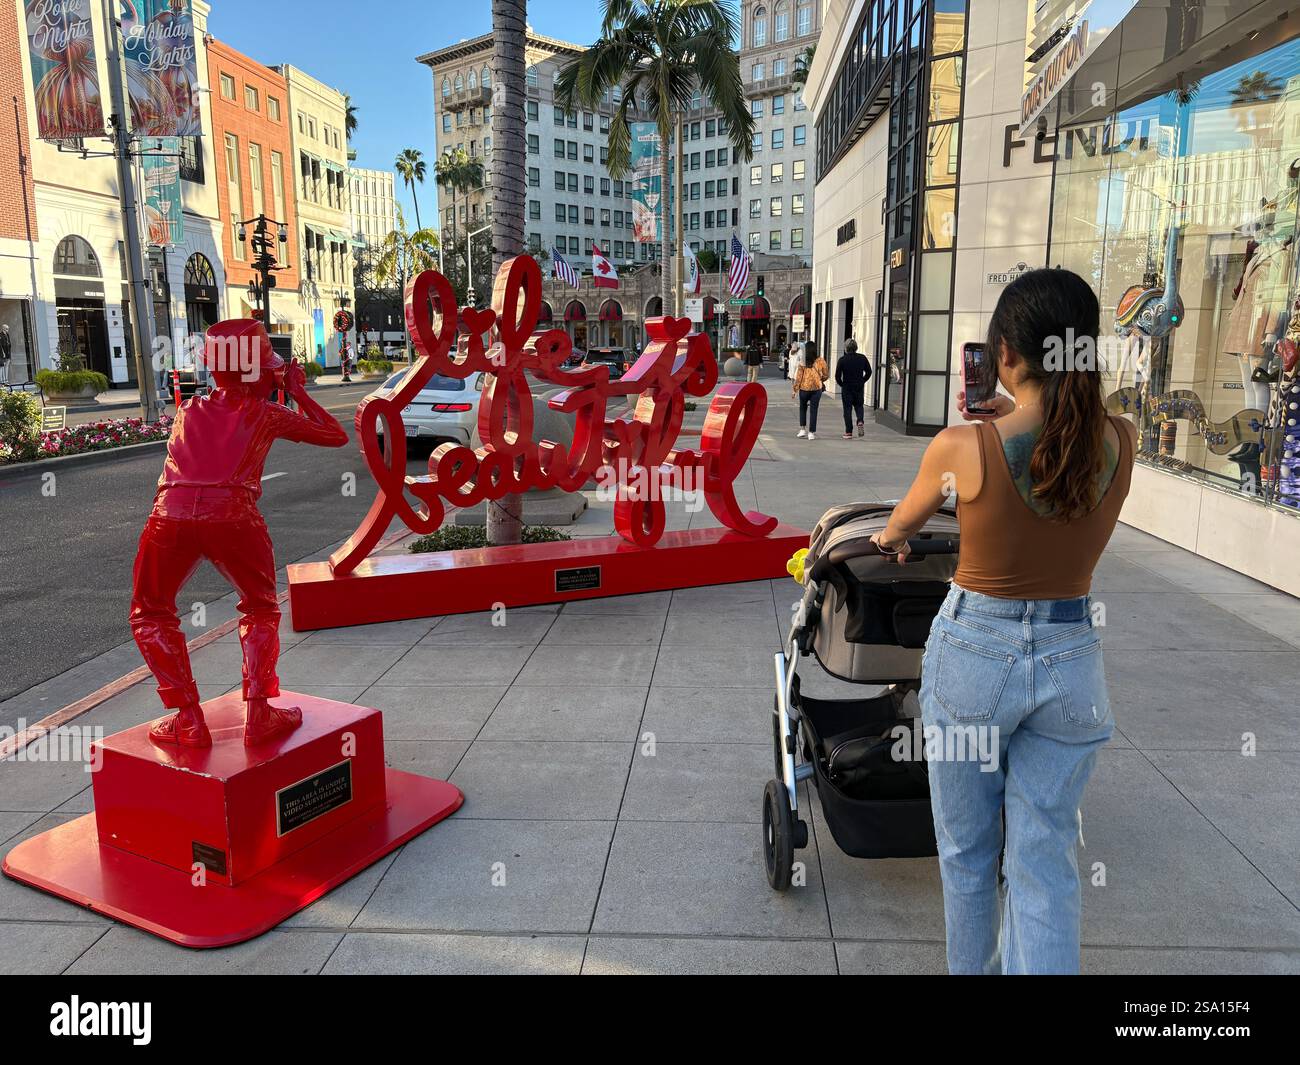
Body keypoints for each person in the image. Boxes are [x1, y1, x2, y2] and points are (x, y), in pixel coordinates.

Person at [868, 269, 1137, 975]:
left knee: (965, 853)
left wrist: (892, 537)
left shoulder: (965, 448)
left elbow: (904, 520)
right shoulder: (1122, 442)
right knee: (1045, 857)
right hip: (1071, 659)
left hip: (976, 657)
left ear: (1007, 354)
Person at [129, 320, 348, 748]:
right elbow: (336, 435)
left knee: (151, 611)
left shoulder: (188, 410)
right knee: (260, 608)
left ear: (213, 369)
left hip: (168, 515)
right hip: (233, 515)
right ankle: (260, 712)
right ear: (261, 372)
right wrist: (297, 391)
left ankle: (188, 718)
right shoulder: (266, 413)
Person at [791, 339, 829, 440]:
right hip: (817, 389)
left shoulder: (803, 361)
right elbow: (826, 374)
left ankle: (802, 429)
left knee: (802, 408)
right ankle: (811, 433)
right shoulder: (820, 360)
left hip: (804, 388)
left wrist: (795, 390)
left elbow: (798, 377)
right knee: (814, 410)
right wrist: (821, 380)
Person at [835, 337, 872, 438]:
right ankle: (860, 420)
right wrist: (863, 380)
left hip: (847, 387)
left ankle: (848, 432)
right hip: (859, 386)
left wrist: (842, 384)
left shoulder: (842, 360)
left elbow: (837, 376)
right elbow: (869, 371)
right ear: (856, 347)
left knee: (847, 409)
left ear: (846, 348)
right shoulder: (862, 358)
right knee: (859, 406)